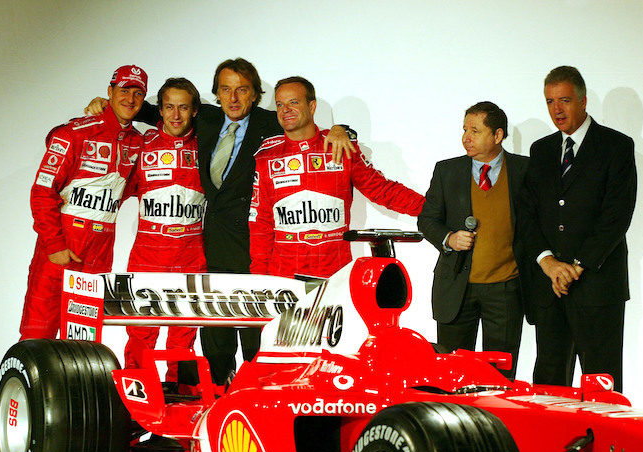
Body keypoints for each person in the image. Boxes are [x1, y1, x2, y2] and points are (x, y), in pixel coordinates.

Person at [84, 59, 354, 384]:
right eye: (226, 89)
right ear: (216, 95)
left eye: (242, 89)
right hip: (209, 253)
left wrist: (341, 130)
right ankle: (210, 408)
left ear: (255, 94)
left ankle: (256, 407)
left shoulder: (270, 122)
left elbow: (307, 127)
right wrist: (106, 106)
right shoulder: (206, 118)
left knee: (259, 344)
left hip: (253, 253)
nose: (234, 98)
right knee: (214, 345)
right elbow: (156, 111)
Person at [518, 66, 636, 392]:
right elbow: (527, 214)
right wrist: (549, 263)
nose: (557, 109)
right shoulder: (540, 150)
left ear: (583, 101)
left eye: (565, 100)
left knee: (601, 388)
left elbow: (616, 217)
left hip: (598, 288)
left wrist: (577, 266)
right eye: (550, 101)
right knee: (548, 387)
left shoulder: (617, 146)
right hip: (550, 289)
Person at [249, 76, 424, 279]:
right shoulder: (267, 156)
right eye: (280, 104)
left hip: (334, 275)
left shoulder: (341, 147)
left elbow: (382, 190)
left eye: (294, 102)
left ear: (312, 106)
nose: (285, 109)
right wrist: (259, 280)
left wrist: (433, 207)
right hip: (284, 277)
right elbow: (260, 225)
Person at [20, 65, 147, 339]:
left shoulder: (138, 143)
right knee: (37, 336)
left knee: (84, 343)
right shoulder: (75, 132)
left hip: (100, 253)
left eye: (138, 93)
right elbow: (42, 192)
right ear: (110, 92)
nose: (131, 99)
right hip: (62, 245)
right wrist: (55, 246)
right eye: (124, 91)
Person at [418, 102, 530, 379]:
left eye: (475, 131)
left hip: (506, 289)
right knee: (451, 376)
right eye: (465, 130)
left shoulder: (525, 170)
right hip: (457, 287)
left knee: (500, 378)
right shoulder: (447, 171)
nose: (466, 137)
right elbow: (427, 220)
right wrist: (449, 238)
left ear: (498, 135)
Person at [123, 77, 205, 387]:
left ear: (195, 111)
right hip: (147, 257)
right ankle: (134, 405)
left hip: (191, 258)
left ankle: (179, 408)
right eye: (169, 107)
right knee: (140, 338)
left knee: (183, 340)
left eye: (183, 107)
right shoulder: (142, 146)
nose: (175, 115)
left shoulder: (207, 146)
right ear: (159, 110)